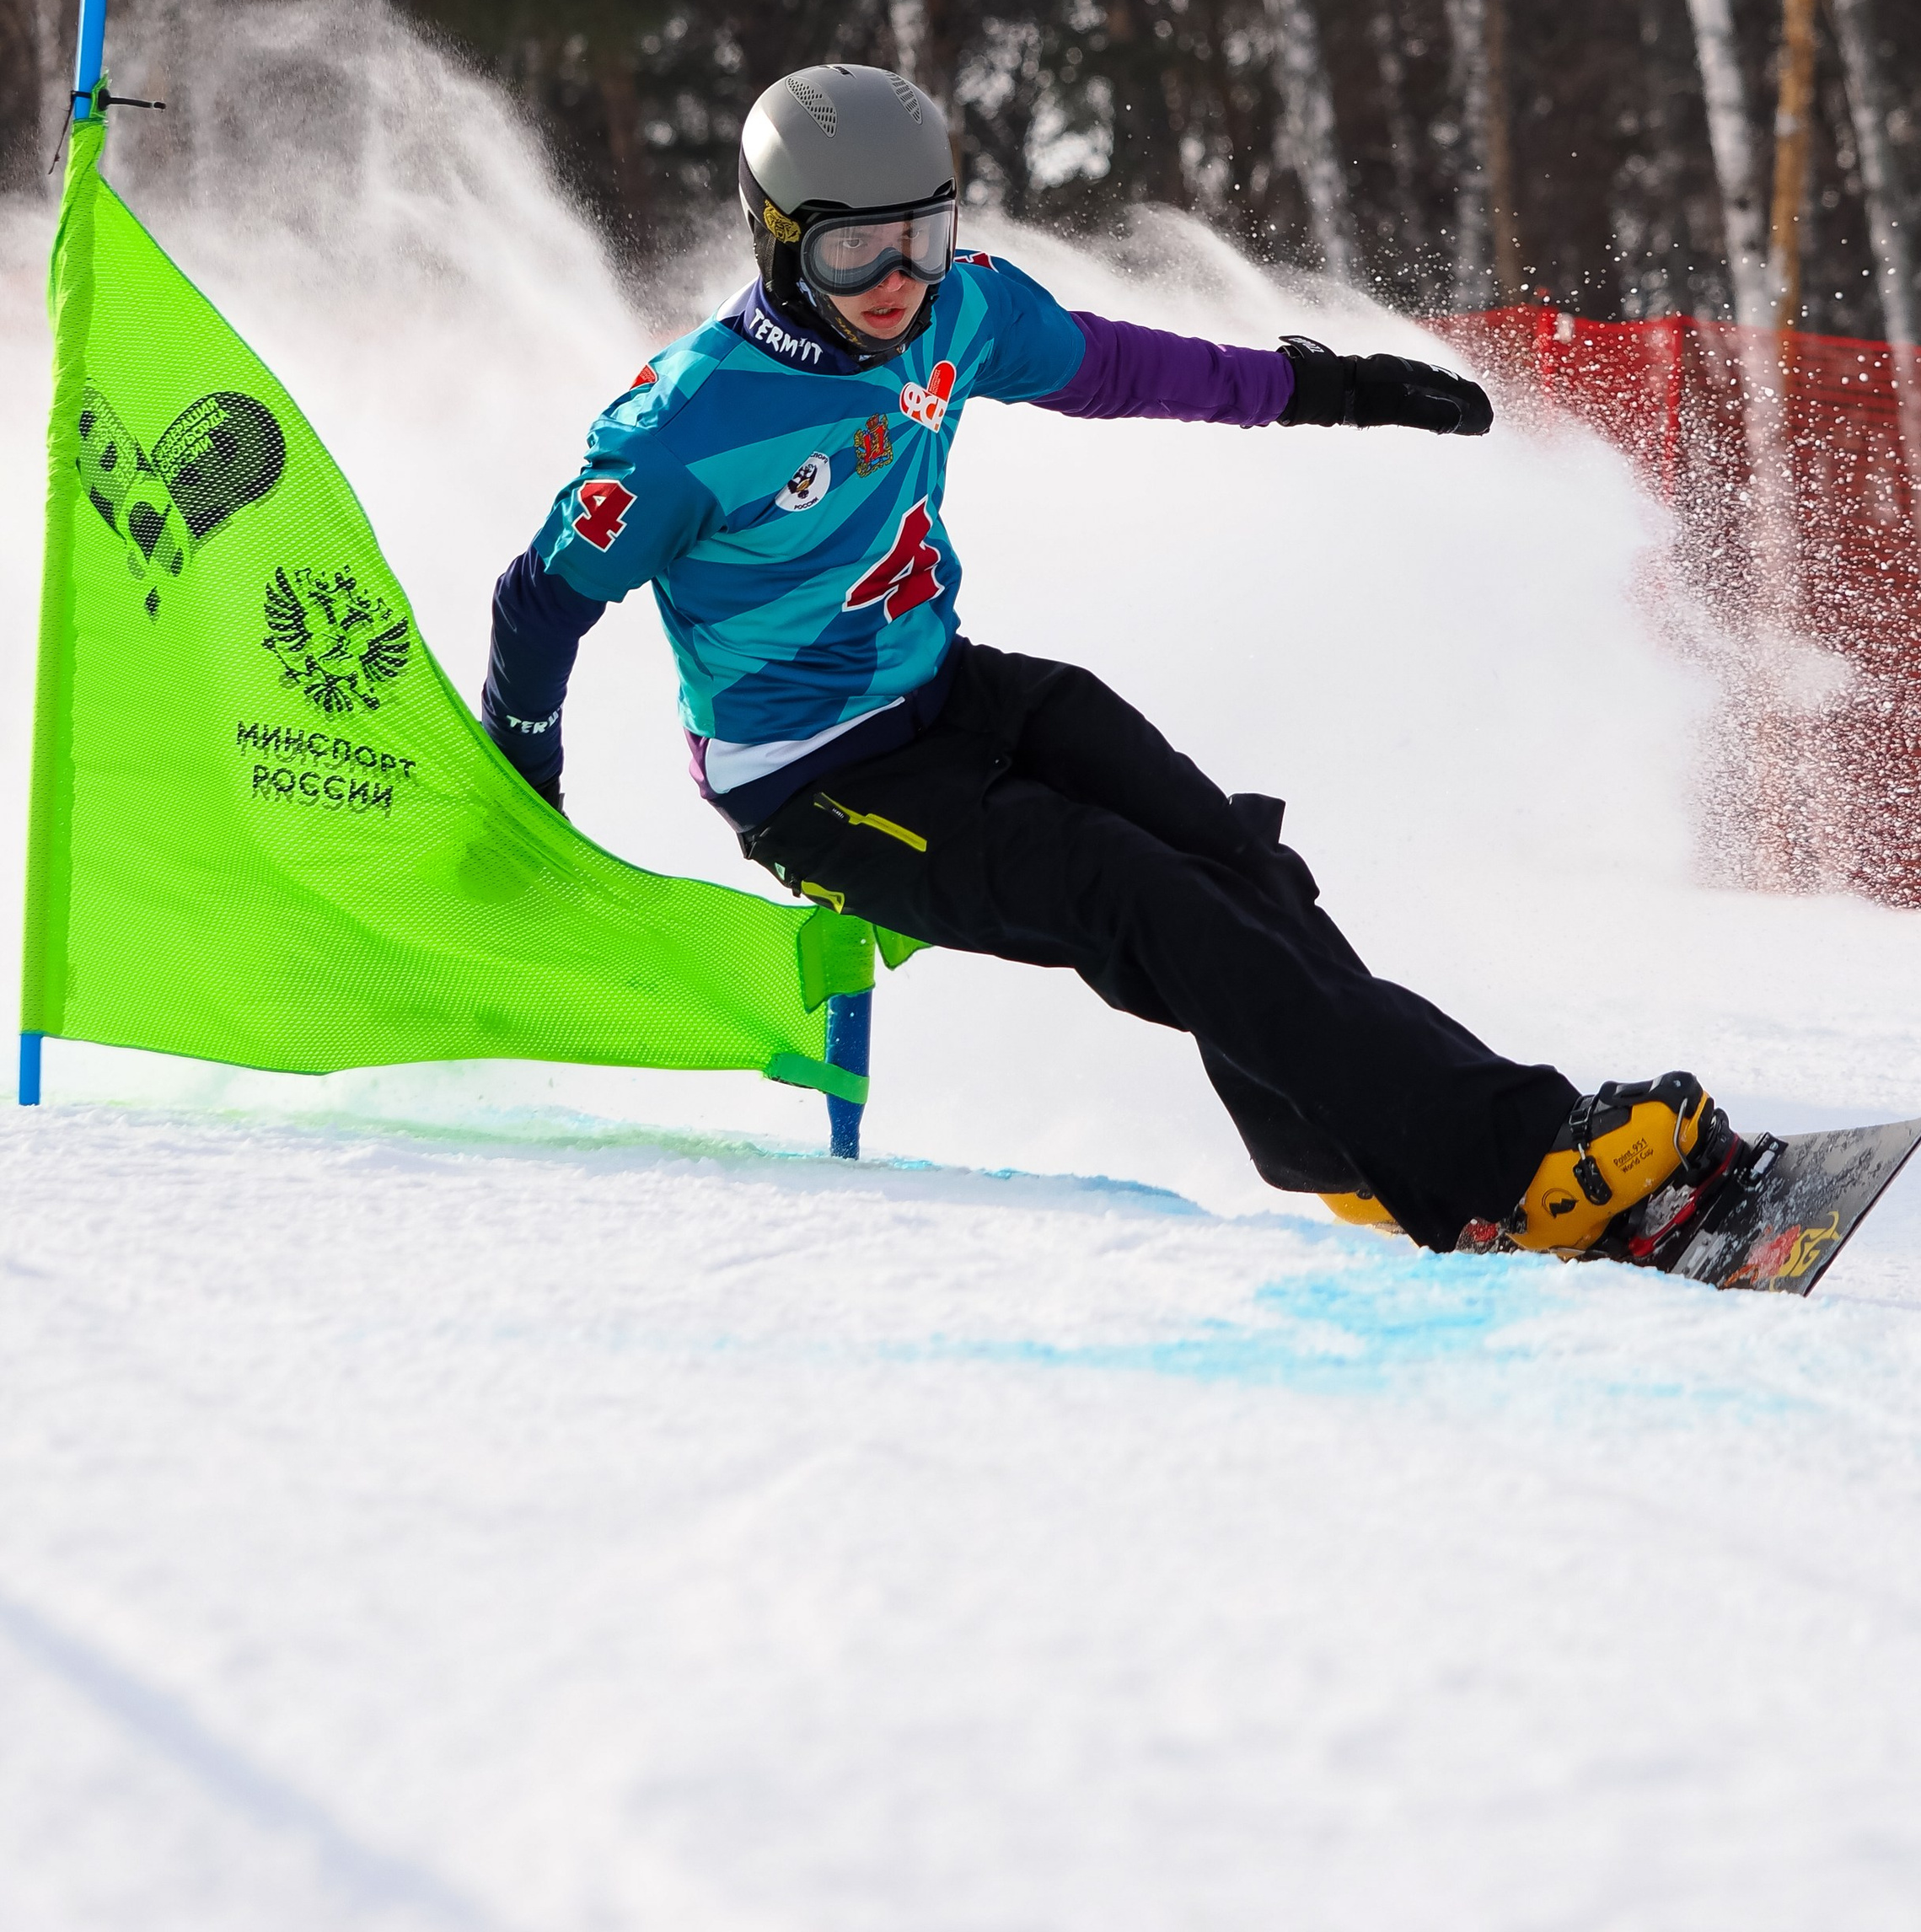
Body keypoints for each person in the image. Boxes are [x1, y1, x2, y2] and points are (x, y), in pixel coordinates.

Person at [483, 62, 1734, 1257]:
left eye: (920, 233)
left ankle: (1346, 1147)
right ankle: (1507, 1171)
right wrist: (520, 775)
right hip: (815, 786)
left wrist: (1330, 389)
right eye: (851, 248)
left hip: (946, 689)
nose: (894, 278)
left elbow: (1132, 369)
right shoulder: (687, 426)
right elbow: (541, 601)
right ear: (774, 238)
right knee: (1144, 901)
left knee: (1231, 861)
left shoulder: (960, 308)